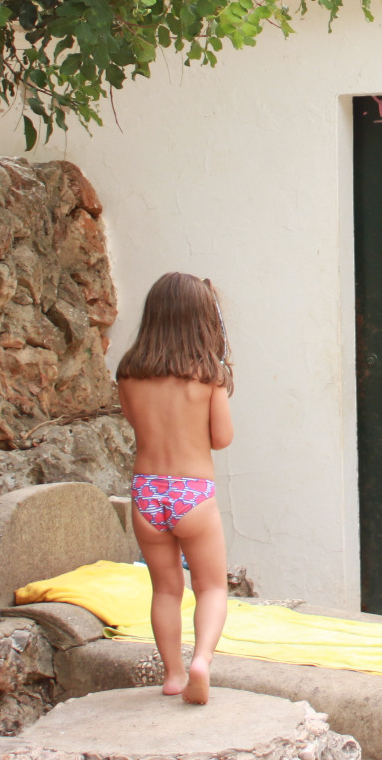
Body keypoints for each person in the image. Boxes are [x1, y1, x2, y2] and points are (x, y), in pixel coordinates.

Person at [116, 272, 236, 705]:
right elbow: (221, 439)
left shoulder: (129, 373)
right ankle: (201, 660)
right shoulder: (209, 376)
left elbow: (136, 423)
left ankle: (172, 674)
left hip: (147, 492)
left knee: (166, 589)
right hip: (193, 494)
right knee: (211, 587)